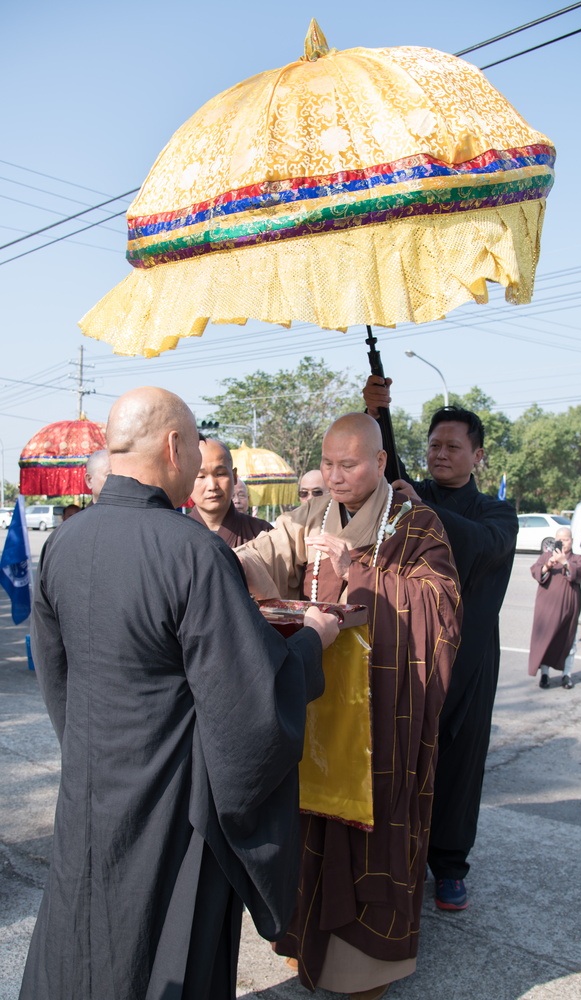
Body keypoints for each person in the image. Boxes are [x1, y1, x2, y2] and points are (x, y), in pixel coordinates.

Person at [20, 386, 340, 1000]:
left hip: (91, 782)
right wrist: (311, 641)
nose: (199, 463)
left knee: (84, 930)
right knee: (168, 942)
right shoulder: (192, 552)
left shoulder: (64, 543)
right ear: (173, 446)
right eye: (196, 445)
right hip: (171, 799)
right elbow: (249, 702)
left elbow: (55, 677)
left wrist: (90, 754)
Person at [237, 412, 462, 1000]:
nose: (334, 477)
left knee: (375, 832)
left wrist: (355, 569)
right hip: (321, 707)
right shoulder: (312, 514)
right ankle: (308, 940)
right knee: (311, 827)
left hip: (384, 717)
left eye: (349, 465)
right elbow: (263, 554)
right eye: (328, 464)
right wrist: (220, 561)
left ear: (381, 462)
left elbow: (439, 612)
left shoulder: (419, 523)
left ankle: (368, 968)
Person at [363, 376, 518, 912]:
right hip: (412, 653)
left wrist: (421, 509)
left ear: (477, 455)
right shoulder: (412, 493)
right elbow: (390, 471)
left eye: (454, 447)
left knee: (459, 761)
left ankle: (450, 866)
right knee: (404, 755)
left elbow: (484, 546)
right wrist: (377, 411)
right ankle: (398, 854)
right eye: (434, 445)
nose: (442, 454)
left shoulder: (497, 514)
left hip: (471, 659)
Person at [528, 527, 581, 689]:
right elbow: (535, 572)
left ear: (572, 541)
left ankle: (566, 675)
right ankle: (544, 675)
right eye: (560, 539)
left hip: (568, 607)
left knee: (569, 641)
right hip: (546, 607)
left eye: (566, 539)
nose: (564, 542)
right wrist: (548, 565)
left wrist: (565, 563)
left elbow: (579, 574)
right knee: (546, 640)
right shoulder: (547, 556)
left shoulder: (578, 558)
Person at [189, 435, 272, 547]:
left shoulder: (262, 533)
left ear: (234, 476)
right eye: (201, 476)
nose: (212, 486)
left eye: (220, 474)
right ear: (187, 480)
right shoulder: (175, 533)